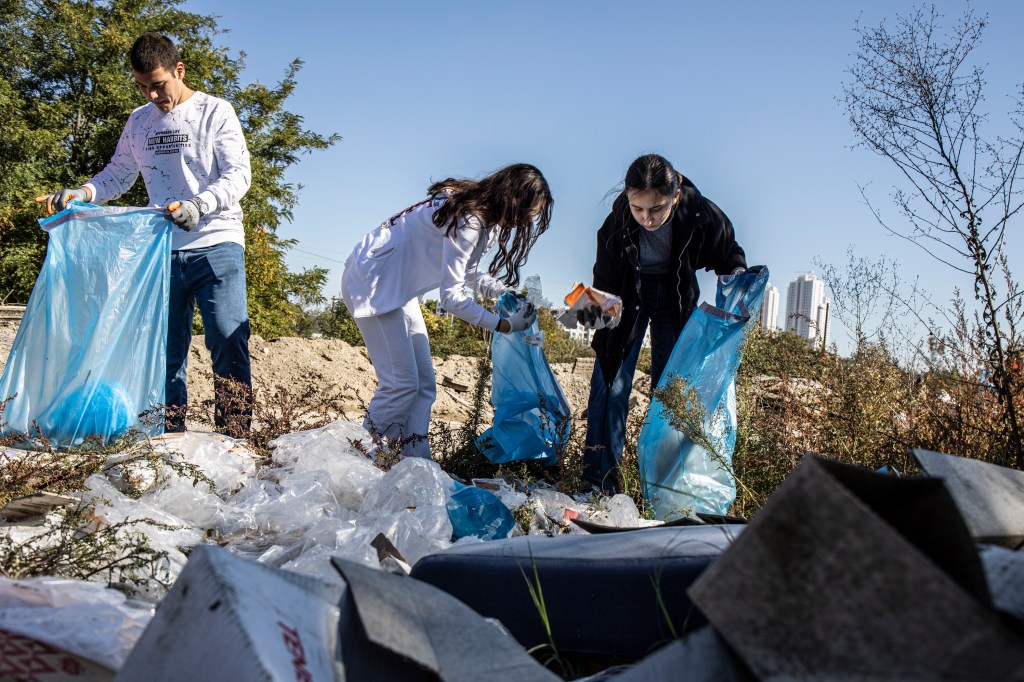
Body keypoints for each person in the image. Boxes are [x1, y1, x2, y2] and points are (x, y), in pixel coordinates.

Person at [36, 33, 253, 437]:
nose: (152, 95)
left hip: (216, 242)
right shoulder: (139, 121)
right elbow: (118, 175)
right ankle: (170, 436)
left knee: (226, 337)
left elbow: (238, 174)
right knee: (164, 350)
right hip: (160, 250)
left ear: (179, 71)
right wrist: (82, 192)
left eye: (158, 84)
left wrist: (199, 205)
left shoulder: (214, 112)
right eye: (142, 86)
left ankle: (236, 438)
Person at [341, 164, 553, 459]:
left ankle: (416, 461)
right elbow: (451, 298)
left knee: (424, 384)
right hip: (373, 281)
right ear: (512, 200)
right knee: (400, 383)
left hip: (398, 286)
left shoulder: (482, 219)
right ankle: (364, 460)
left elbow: (468, 272)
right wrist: (503, 325)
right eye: (525, 214)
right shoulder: (469, 220)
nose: (523, 223)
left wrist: (505, 292)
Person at [582, 154, 746, 492]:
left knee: (672, 392)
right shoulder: (615, 225)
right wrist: (602, 339)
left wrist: (739, 274)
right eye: (638, 208)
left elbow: (728, 251)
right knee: (609, 381)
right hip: (627, 297)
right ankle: (599, 483)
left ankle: (662, 488)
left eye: (656, 209)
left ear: (676, 196)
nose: (646, 218)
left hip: (674, 299)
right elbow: (602, 284)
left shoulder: (701, 214)